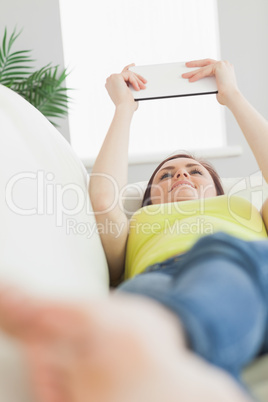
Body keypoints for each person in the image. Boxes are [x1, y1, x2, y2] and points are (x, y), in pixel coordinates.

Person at [0, 58, 267, 402]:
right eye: (166, 175)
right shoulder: (138, 224)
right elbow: (103, 195)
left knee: (220, 263)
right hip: (154, 277)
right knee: (140, 299)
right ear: (149, 198)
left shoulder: (248, 211)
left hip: (241, 260)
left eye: (194, 171)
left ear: (219, 190)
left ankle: (153, 342)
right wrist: (123, 108)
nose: (180, 175)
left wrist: (233, 96)